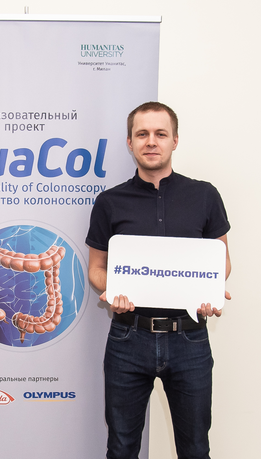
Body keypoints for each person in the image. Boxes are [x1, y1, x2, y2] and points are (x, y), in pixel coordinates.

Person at [86, 101, 232, 459]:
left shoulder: (205, 196)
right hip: (127, 337)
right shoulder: (109, 202)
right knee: (121, 448)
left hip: (190, 338)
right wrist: (111, 290)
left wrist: (209, 290)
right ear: (130, 142)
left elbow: (222, 262)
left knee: (195, 449)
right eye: (142, 134)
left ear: (174, 140)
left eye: (160, 134)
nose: (151, 141)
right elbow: (96, 268)